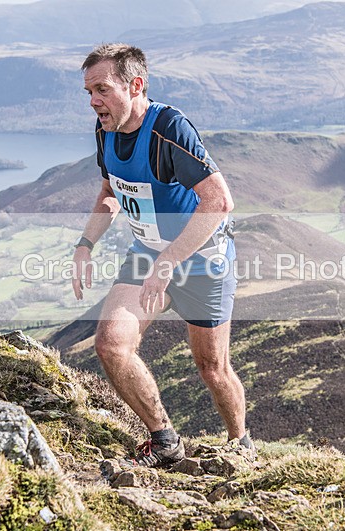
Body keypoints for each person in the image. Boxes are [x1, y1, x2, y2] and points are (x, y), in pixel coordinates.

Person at [71, 43, 252, 467]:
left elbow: (219, 201)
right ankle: (165, 440)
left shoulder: (169, 128)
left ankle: (240, 443)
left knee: (212, 368)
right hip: (147, 255)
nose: (94, 101)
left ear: (135, 85)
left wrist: (169, 262)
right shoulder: (106, 129)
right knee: (111, 345)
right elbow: (109, 194)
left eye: (102, 89)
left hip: (203, 260)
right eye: (88, 91)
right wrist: (85, 245)